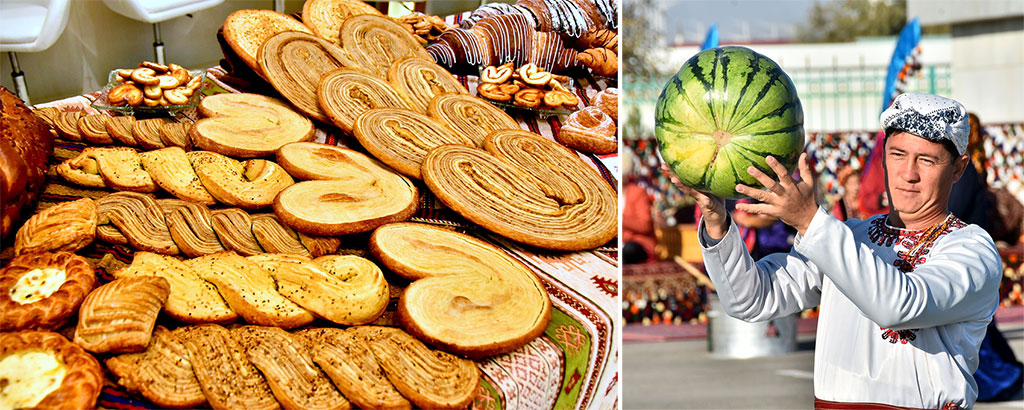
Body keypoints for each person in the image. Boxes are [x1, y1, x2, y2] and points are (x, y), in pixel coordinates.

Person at [665, 93, 1002, 409]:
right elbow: (749, 300)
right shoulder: (851, 236)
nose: (908, 174)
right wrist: (717, 221)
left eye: (927, 160)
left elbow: (899, 306)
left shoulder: (971, 250)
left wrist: (810, 221)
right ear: (884, 157)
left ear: (958, 168)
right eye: (898, 155)